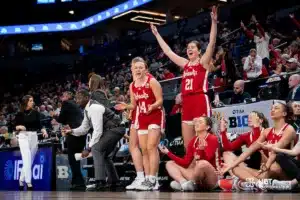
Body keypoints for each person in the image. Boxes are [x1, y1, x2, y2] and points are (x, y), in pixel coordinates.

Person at [150, 6, 218, 149]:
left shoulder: (203, 62)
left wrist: (214, 22)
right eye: (188, 47)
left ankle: (211, 168)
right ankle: (193, 169)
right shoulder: (185, 64)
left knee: (204, 143)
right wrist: (157, 35)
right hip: (186, 103)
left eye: (193, 47)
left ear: (199, 51)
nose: (189, 49)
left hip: (200, 99)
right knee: (188, 146)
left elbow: (211, 43)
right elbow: (168, 52)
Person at [219, 102, 296, 191]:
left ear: (284, 113)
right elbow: (250, 150)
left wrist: (266, 165)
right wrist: (230, 167)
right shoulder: (267, 131)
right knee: (235, 169)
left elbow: (275, 151)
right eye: (271, 108)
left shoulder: (289, 129)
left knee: (274, 166)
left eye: (276, 108)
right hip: (264, 169)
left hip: (279, 167)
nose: (272, 110)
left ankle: (246, 183)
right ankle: (260, 184)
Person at [115, 57, 164, 190]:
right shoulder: (132, 85)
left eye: (141, 67)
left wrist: (152, 106)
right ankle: (148, 179)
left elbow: (160, 101)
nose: (138, 70)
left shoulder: (152, 81)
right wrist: (126, 106)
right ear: (132, 69)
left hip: (154, 115)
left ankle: (154, 179)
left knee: (151, 146)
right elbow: (134, 104)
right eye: (136, 68)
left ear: (146, 69)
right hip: (141, 117)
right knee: (144, 150)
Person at [62, 90, 125, 191]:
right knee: (105, 155)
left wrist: (88, 148)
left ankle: (100, 181)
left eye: (79, 98)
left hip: (115, 129)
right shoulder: (87, 110)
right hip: (112, 129)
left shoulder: (94, 108)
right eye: (76, 98)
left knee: (96, 149)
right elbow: (84, 129)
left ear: (87, 98)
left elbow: (98, 131)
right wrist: (71, 131)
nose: (77, 101)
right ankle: (114, 181)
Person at [159, 116, 222, 191]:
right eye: (196, 122)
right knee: (170, 164)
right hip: (197, 176)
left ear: (207, 127)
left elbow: (208, 160)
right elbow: (185, 162)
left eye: (200, 122)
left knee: (202, 164)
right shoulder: (193, 141)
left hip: (212, 177)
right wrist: (168, 153)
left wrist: (202, 150)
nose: (197, 124)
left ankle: (190, 185)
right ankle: (184, 183)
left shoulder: (212, 138)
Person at [51, 91, 85, 190]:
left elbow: (61, 119)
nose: (61, 98)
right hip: (81, 133)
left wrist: (54, 115)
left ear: (67, 97)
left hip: (73, 133)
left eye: (63, 96)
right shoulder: (75, 105)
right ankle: (77, 181)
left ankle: (78, 182)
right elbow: (67, 119)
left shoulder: (66, 103)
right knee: (77, 158)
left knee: (72, 158)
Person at [15, 95, 48, 191]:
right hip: (23, 136)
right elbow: (14, 126)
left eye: (32, 100)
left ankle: (21, 179)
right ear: (25, 102)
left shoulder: (36, 113)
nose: (32, 102)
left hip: (34, 136)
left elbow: (40, 125)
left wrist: (44, 131)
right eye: (30, 100)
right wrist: (20, 127)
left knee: (30, 160)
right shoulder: (19, 114)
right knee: (27, 158)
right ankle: (29, 182)